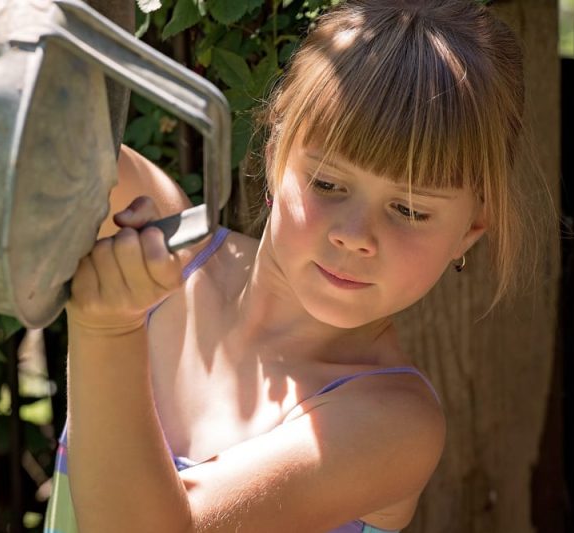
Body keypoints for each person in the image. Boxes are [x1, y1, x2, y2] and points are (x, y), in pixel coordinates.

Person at [45, 0, 536, 531]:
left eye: (410, 209)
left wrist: (107, 330)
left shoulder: (395, 423)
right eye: (327, 184)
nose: (354, 236)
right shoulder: (154, 227)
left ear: (470, 229)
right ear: (276, 149)